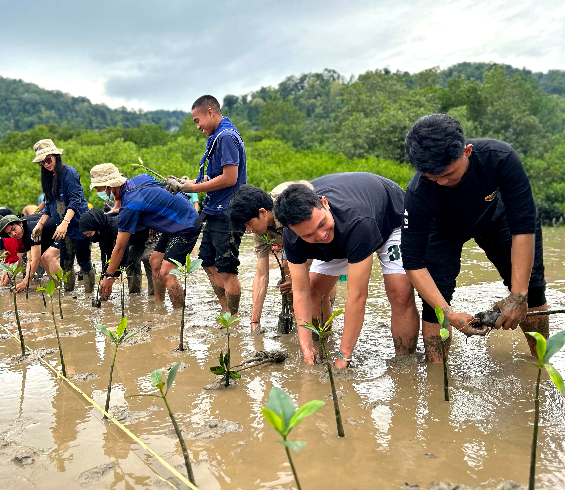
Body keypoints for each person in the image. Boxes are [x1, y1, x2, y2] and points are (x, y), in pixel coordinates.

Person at [402, 114, 547, 360]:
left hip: (493, 216)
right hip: (442, 228)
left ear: (467, 151)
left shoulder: (499, 158)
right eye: (433, 177)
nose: (442, 182)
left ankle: (541, 364)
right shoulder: (419, 192)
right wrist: (449, 314)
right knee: (434, 303)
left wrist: (518, 295)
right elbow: (413, 262)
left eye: (448, 174)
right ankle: (438, 378)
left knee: (531, 287)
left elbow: (522, 226)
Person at [274, 174, 420, 366]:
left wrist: (343, 356)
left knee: (400, 292)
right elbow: (300, 291)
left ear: (324, 203)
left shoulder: (358, 222)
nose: (321, 235)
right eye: (309, 234)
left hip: (390, 219)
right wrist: (305, 345)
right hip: (344, 232)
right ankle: (322, 346)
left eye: (321, 224)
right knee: (313, 291)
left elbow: (357, 296)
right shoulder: (292, 237)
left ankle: (404, 362)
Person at [165, 95, 247, 314]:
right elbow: (212, 178)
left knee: (227, 269)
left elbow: (230, 178)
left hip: (227, 212)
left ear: (210, 112)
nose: (198, 126)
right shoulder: (218, 137)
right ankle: (225, 310)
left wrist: (190, 189)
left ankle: (233, 319)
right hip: (214, 211)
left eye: (197, 120)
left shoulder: (227, 137)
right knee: (207, 261)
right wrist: (184, 183)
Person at [91, 163, 202, 307]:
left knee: (167, 272)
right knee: (154, 261)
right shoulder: (139, 179)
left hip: (186, 225)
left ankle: (178, 314)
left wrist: (109, 276)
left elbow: (120, 247)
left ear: (108, 186)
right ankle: (158, 304)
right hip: (173, 224)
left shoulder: (130, 205)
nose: (98, 191)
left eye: (98, 187)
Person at [228, 182, 315, 332]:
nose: (249, 230)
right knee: (287, 274)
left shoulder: (290, 210)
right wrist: (254, 321)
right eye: (245, 226)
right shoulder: (259, 229)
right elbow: (262, 274)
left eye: (249, 223)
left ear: (262, 212)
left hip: (312, 229)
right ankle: (296, 321)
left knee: (315, 285)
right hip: (289, 235)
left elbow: (315, 248)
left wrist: (294, 276)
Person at [31, 139, 92, 293]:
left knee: (84, 262)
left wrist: (65, 222)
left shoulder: (69, 173)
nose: (46, 164)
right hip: (63, 230)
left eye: (48, 159)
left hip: (79, 226)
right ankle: (68, 294)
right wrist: (40, 224)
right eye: (42, 162)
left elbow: (75, 200)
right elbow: (49, 205)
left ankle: (90, 294)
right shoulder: (48, 177)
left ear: (56, 156)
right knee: (66, 263)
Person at [79, 209, 154, 294]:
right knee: (130, 262)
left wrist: (111, 278)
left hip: (150, 233)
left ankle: (155, 298)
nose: (90, 237)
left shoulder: (115, 225)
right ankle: (135, 294)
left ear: (97, 226)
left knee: (149, 260)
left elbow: (122, 253)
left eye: (89, 233)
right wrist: (104, 278)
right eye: (87, 235)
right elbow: (106, 257)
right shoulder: (103, 232)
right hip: (136, 240)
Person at [0, 214, 60, 292]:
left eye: (13, 229)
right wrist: (26, 280)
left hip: (65, 231)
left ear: (20, 223)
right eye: (9, 233)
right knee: (43, 259)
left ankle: (62, 287)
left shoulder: (32, 230)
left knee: (48, 256)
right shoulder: (24, 235)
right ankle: (56, 286)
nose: (13, 234)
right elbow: (30, 260)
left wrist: (25, 282)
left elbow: (35, 260)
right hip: (52, 236)